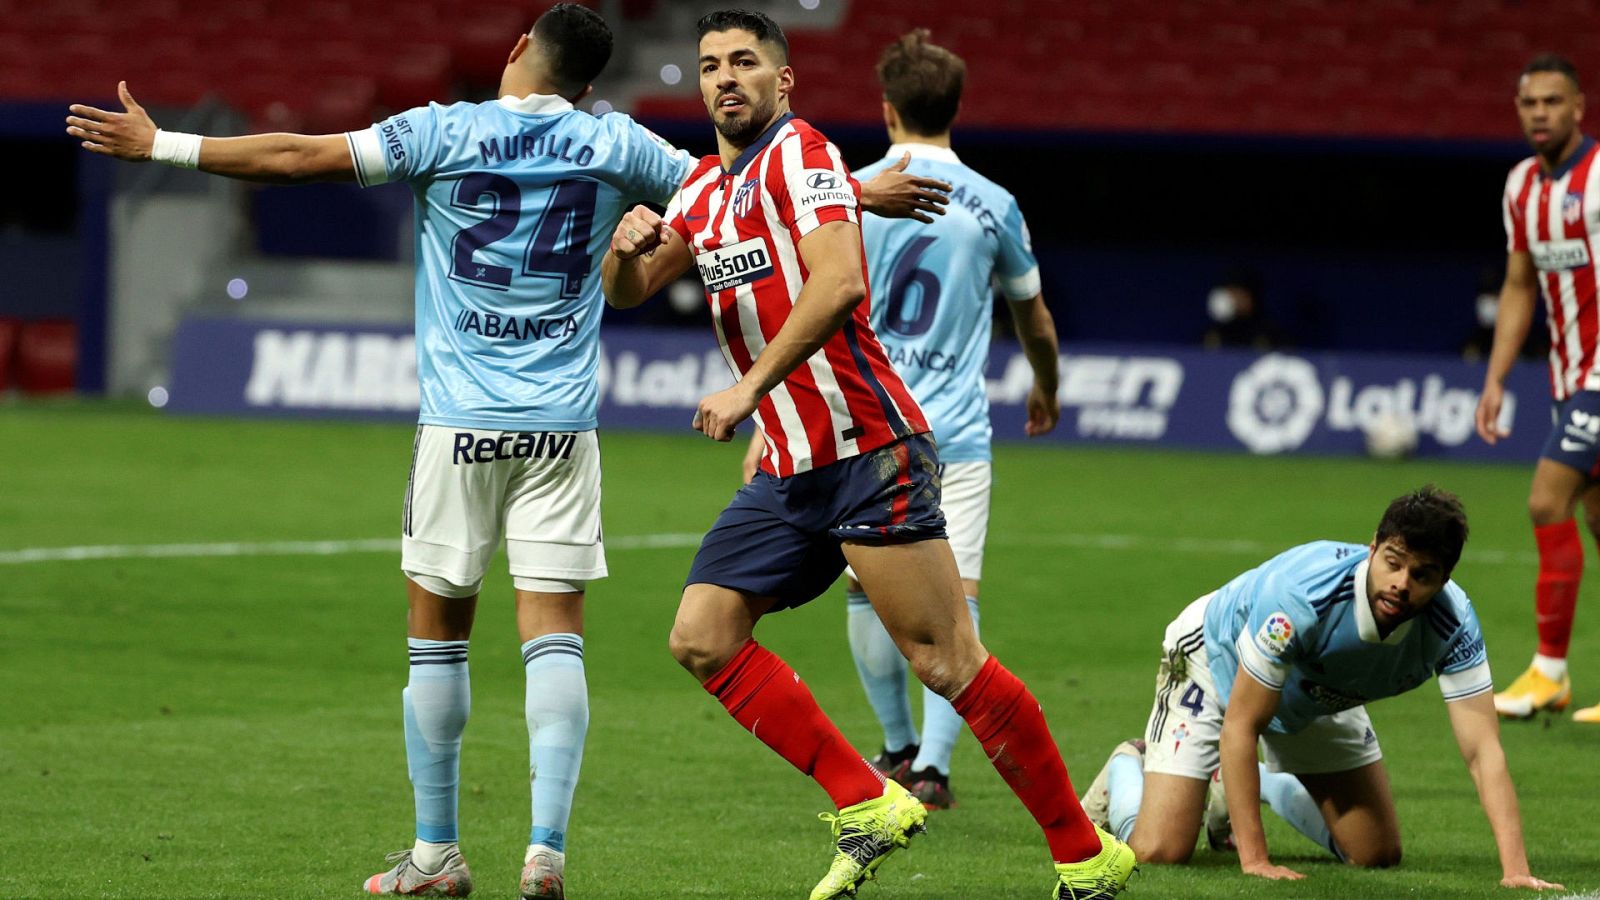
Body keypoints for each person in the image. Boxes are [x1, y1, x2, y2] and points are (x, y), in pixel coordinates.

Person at [64, 6, 950, 897]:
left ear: (520, 47)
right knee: (554, 635)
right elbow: (741, 188)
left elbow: (298, 156)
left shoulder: (441, 131)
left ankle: (436, 854)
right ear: (589, 85)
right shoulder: (617, 143)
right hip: (561, 430)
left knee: (437, 640)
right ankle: (545, 852)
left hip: (460, 424)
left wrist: (161, 144)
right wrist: (854, 190)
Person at [598, 10, 1133, 900]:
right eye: (710, 64)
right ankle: (868, 800)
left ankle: (1086, 855)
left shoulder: (803, 152)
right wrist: (623, 254)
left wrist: (748, 389)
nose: (725, 76)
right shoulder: (700, 192)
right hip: (790, 467)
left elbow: (842, 282)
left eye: (744, 61)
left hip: (869, 450)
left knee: (947, 661)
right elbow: (629, 292)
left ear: (782, 80)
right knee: (702, 637)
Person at [737, 29, 1062, 813]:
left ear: (886, 110)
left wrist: (767, 417)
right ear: (955, 108)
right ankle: (936, 770)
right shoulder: (995, 204)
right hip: (955, 433)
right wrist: (1045, 386)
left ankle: (897, 746)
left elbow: (803, 311)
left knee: (862, 589)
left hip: (864, 424)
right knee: (958, 601)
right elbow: (1035, 318)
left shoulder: (844, 189)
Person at [1080, 486, 1563, 890]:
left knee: (1375, 852)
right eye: (1393, 562)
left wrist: (1515, 870)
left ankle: (1243, 782)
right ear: (1372, 548)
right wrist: (1256, 859)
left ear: (1443, 580)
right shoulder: (1301, 597)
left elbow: (1483, 751)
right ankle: (1130, 762)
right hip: (1217, 661)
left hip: (1320, 693)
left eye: (1422, 575)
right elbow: (1242, 724)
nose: (1401, 584)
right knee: (1161, 849)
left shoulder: (1453, 625)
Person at [1475, 53, 1600, 724]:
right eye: (1529, 103)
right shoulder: (1522, 185)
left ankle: (1549, 671)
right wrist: (1496, 377)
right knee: (1598, 521)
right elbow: (1520, 284)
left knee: (1547, 500)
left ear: (1579, 106)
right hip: (1568, 377)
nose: (1540, 113)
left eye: (1553, 101)